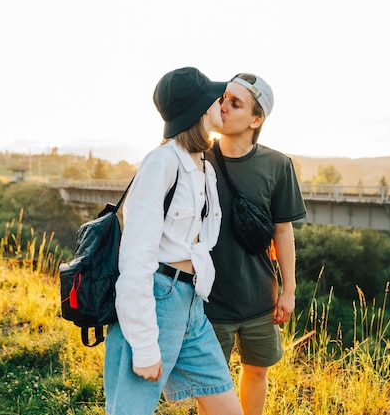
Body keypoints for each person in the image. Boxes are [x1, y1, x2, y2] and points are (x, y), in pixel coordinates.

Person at [103, 67, 243, 415]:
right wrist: (145, 346)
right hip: (157, 298)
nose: (221, 102)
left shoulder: (202, 166)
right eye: (216, 97)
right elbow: (135, 259)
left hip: (190, 304)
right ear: (198, 108)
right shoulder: (161, 163)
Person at [204, 73, 306, 415]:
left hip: (259, 297)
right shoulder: (197, 159)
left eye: (236, 103)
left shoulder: (277, 166)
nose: (224, 106)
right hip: (208, 299)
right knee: (211, 381)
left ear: (256, 119)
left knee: (257, 371)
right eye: (223, 99)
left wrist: (288, 290)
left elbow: (283, 230)